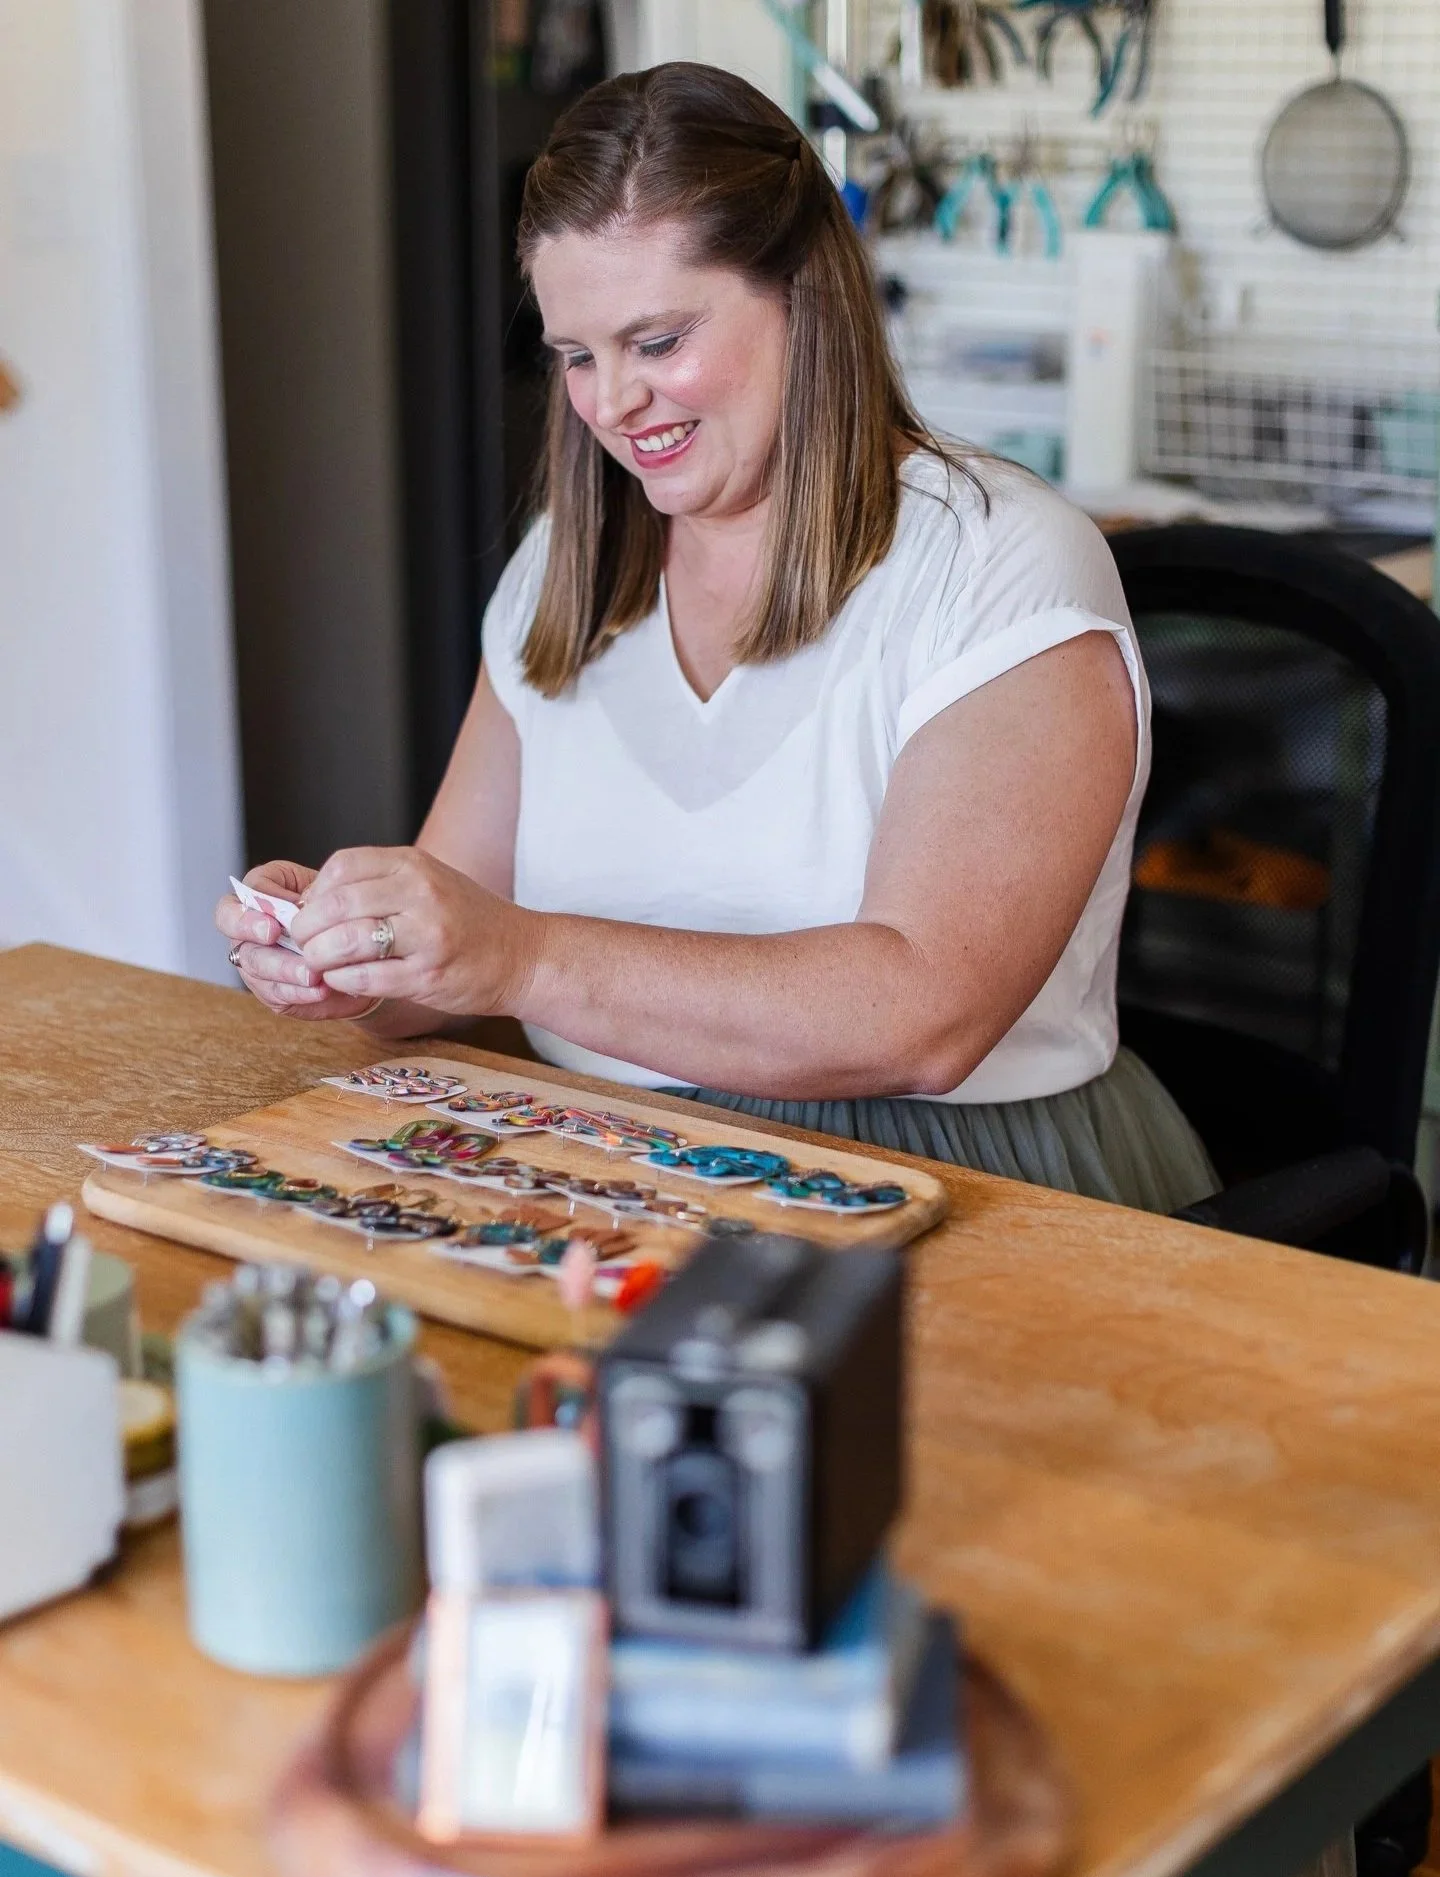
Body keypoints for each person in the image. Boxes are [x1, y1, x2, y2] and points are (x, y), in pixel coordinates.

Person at [215, 60, 1216, 1215]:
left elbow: (925, 1016)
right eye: (577, 356)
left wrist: (519, 955)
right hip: (609, 1163)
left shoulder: (1002, 565)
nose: (611, 404)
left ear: (804, 295)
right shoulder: (565, 568)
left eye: (657, 341)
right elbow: (452, 947)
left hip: (953, 1181)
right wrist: (353, 956)